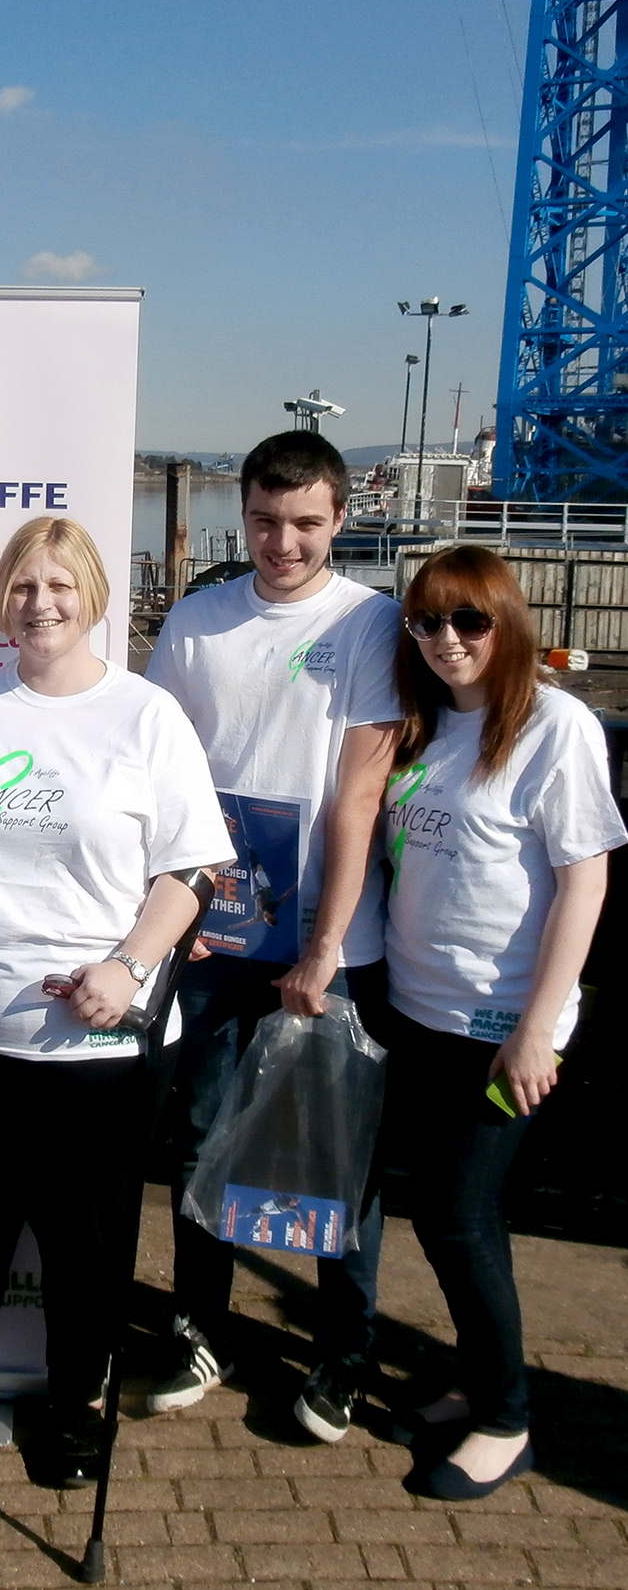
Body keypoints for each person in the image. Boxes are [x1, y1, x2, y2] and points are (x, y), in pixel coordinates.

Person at [0, 516, 234, 1489]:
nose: (41, 603)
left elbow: (195, 866)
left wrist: (128, 965)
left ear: (94, 596)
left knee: (87, 1251)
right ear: (3, 599)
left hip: (99, 1048)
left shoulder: (144, 715)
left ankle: (78, 1410)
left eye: (60, 585)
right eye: (23, 586)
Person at [145, 431, 401, 1441]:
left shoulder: (373, 623)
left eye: (304, 522)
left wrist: (327, 942)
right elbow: (165, 779)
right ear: (240, 513)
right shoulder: (199, 622)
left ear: (339, 519)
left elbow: (360, 793)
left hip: (332, 944)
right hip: (215, 936)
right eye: (263, 519)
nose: (281, 540)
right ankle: (200, 1324)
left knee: (336, 1153)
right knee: (203, 1135)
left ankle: (344, 1351)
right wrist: (178, 913)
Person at [381, 545, 624, 1499]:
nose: (448, 641)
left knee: (460, 1215)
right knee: (445, 1218)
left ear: (507, 623)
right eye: (429, 623)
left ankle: (507, 1418)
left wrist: (536, 1027)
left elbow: (585, 881)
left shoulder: (552, 726)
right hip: (420, 1009)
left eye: (469, 622)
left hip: (500, 1022)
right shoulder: (426, 724)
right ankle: (479, 1378)